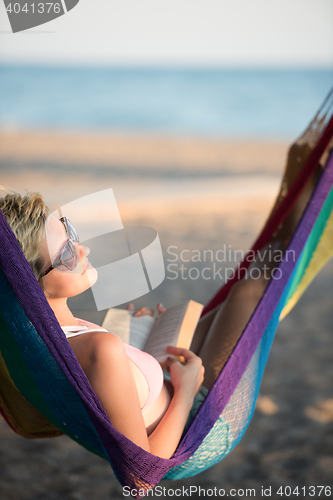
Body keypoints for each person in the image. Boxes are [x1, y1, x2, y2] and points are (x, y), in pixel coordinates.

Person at [0, 189, 274, 459]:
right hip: (198, 426)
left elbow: (105, 381)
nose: (84, 249)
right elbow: (141, 476)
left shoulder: (41, 337)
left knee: (232, 303)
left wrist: (136, 341)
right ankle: (308, 198)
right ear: (29, 285)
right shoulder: (98, 348)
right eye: (66, 254)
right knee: (252, 290)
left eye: (70, 232)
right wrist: (187, 390)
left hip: (172, 382)